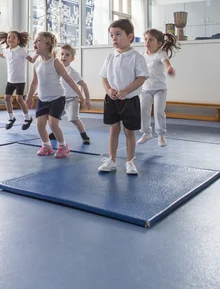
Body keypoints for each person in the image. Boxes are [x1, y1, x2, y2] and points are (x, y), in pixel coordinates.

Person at [98, 18, 149, 176]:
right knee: (114, 130)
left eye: (118, 34)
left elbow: (141, 78)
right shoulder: (110, 57)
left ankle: (130, 161)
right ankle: (111, 160)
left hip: (129, 100)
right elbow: (104, 77)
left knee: (129, 132)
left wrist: (126, 90)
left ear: (130, 36)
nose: (114, 38)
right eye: (112, 35)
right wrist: (108, 90)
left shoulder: (136, 57)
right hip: (112, 100)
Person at [26, 32, 85, 159]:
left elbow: (68, 79)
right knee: (39, 124)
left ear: (48, 45)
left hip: (57, 98)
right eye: (35, 41)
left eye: (38, 41)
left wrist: (80, 94)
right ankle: (46, 145)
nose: (35, 43)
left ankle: (63, 146)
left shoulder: (55, 62)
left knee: (53, 124)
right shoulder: (36, 64)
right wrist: (29, 96)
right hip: (42, 98)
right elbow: (34, 82)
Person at [138, 29, 179, 147]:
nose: (147, 42)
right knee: (143, 110)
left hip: (160, 89)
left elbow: (166, 63)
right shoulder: (142, 55)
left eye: (151, 40)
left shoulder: (160, 54)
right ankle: (146, 132)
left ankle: (161, 135)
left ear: (159, 43)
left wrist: (169, 69)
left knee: (158, 111)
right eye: (145, 39)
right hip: (145, 88)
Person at [0, 30, 37, 130]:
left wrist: (38, 53)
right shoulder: (7, 51)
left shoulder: (21, 51)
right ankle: (11, 118)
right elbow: (3, 55)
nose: (10, 39)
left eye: (13, 37)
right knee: (6, 98)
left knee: (19, 99)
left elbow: (32, 60)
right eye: (9, 37)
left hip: (20, 80)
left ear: (18, 41)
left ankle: (27, 118)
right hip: (10, 80)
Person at [48, 44, 92, 144]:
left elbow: (84, 85)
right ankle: (55, 133)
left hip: (72, 100)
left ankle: (84, 135)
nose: (64, 56)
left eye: (67, 55)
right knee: (52, 117)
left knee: (73, 119)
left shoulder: (72, 72)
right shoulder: (55, 70)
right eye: (62, 54)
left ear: (72, 59)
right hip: (60, 99)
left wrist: (87, 99)